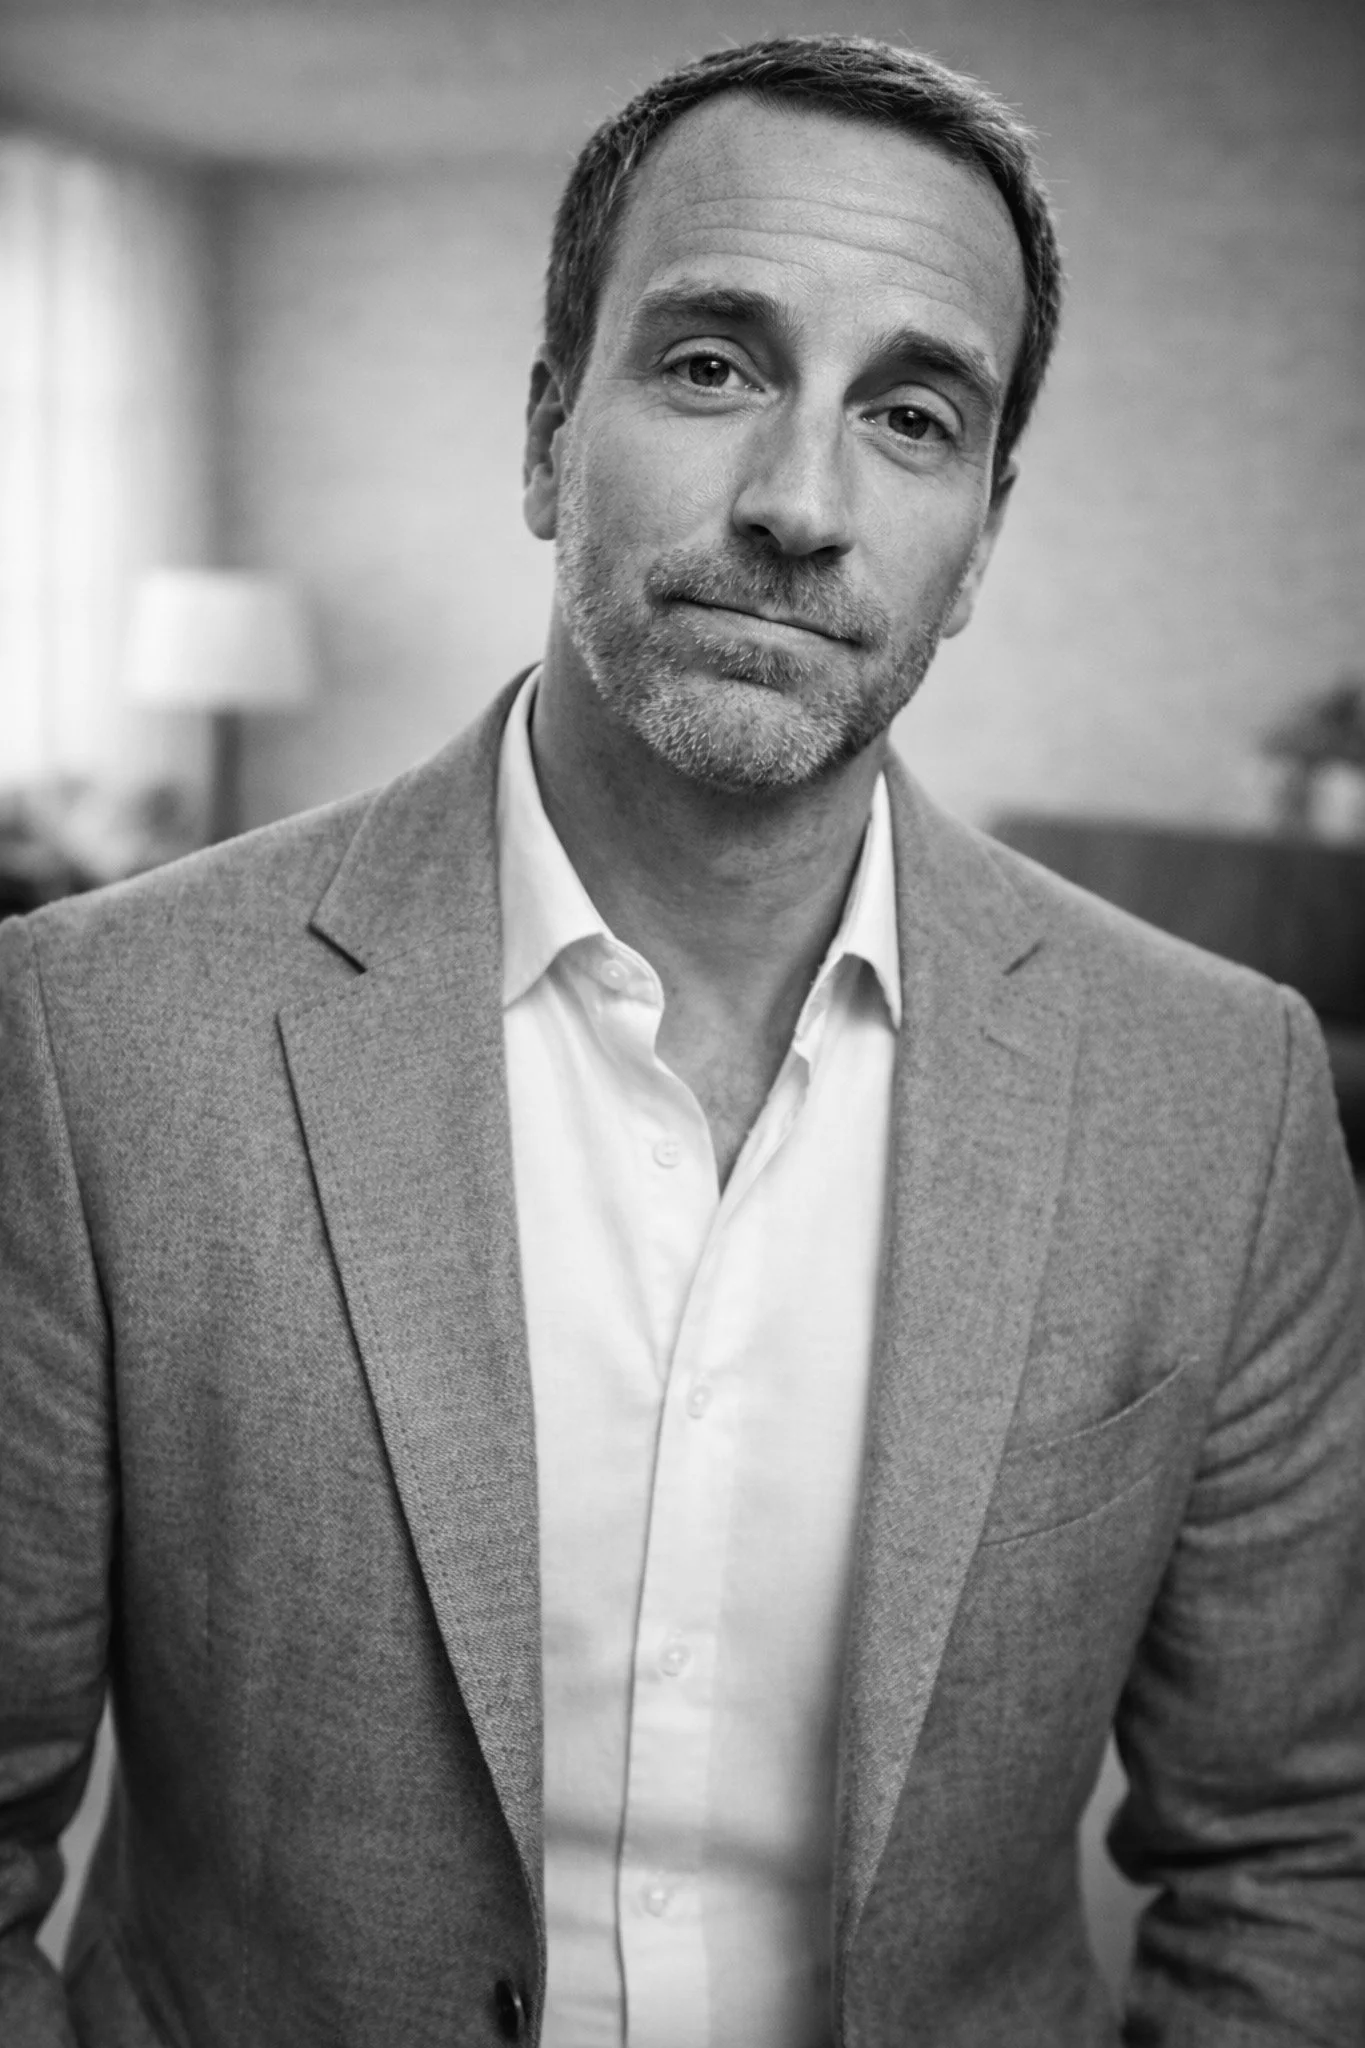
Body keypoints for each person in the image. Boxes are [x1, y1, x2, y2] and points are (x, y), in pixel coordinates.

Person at [2, 32, 1363, 2048]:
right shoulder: (94, 1037)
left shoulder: (1218, 1095)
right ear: (549, 435)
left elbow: (1292, 1854)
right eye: (712, 365)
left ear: (980, 532)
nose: (801, 504)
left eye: (911, 415)